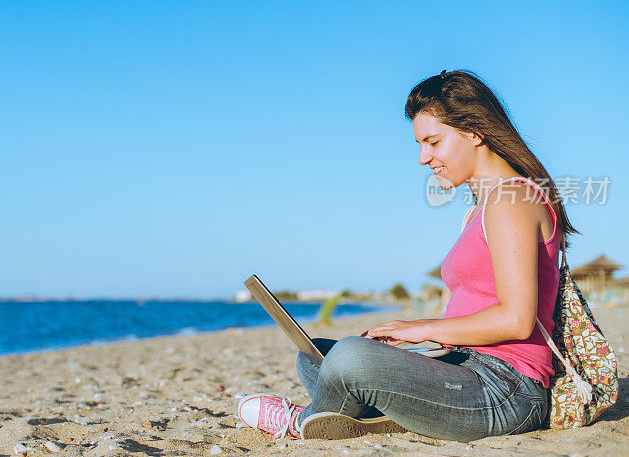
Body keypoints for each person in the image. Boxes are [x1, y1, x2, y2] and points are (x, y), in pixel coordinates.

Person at [236, 70, 578, 442]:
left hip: (505, 391)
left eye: (432, 142)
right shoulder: (482, 207)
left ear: (475, 132)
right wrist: (416, 339)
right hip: (463, 366)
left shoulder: (512, 200)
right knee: (316, 354)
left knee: (349, 358)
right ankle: (396, 410)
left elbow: (515, 320)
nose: (422, 158)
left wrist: (420, 329)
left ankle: (303, 420)